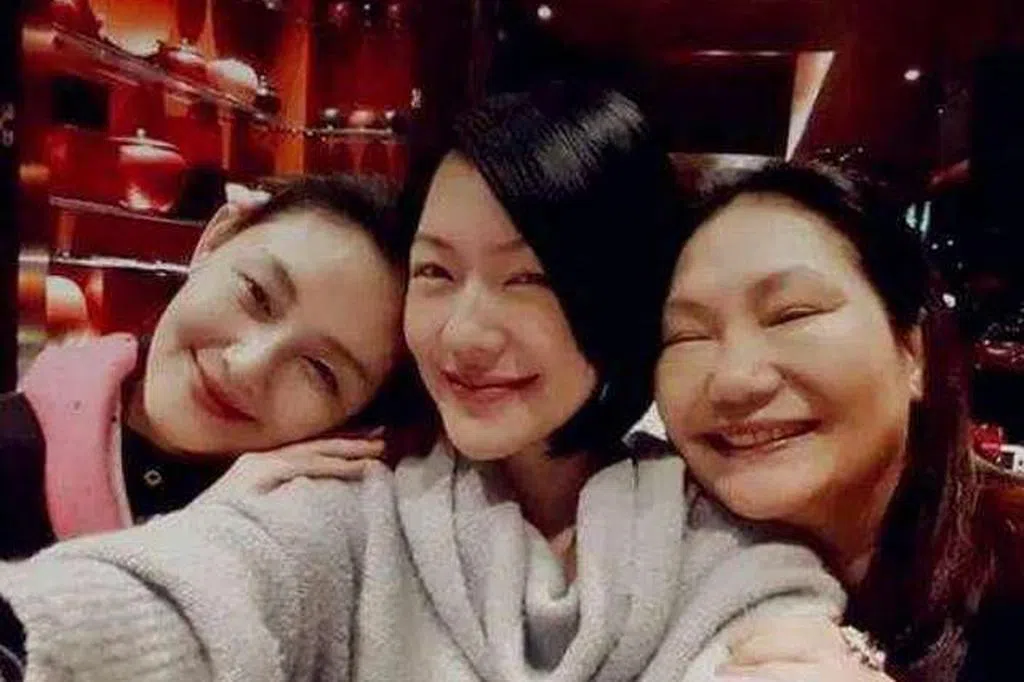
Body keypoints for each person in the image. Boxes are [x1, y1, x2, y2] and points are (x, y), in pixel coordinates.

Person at [0, 84, 845, 681]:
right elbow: (208, 587)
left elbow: (769, 628)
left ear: (619, 292)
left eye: (528, 279)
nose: (465, 335)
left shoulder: (717, 541)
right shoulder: (351, 503)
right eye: (437, 272)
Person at [654, 161, 1024, 681]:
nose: (733, 381)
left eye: (792, 314)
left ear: (913, 352)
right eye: (688, 335)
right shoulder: (645, 565)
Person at [0, 174, 412, 560]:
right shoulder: (14, 448)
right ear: (215, 240)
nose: (247, 366)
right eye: (257, 294)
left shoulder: (322, 547)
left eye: (319, 370)